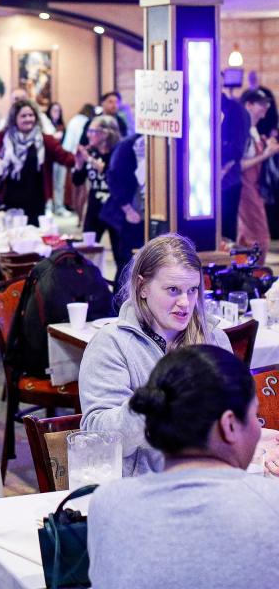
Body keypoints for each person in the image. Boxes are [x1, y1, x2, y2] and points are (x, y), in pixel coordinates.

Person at [88, 345, 279, 589]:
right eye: (255, 417)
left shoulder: (107, 504)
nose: (257, 430)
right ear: (229, 425)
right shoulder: (271, 506)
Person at [79, 233, 232, 477]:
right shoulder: (111, 344)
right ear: (142, 288)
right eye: (173, 290)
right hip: (140, 490)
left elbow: (232, 420)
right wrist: (156, 402)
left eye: (192, 290)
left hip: (207, 481)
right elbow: (98, 436)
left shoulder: (215, 340)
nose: (185, 302)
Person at [0, 99, 75, 226]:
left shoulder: (45, 140)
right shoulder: (3, 137)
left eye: (31, 115)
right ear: (14, 118)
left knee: (33, 238)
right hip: (9, 198)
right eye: (23, 116)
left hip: (36, 201)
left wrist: (81, 159)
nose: (28, 119)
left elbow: (65, 157)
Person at [237, 88, 279, 259]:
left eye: (267, 104)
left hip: (256, 190)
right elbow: (239, 165)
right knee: (257, 239)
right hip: (246, 191)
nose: (266, 108)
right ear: (249, 105)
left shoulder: (254, 131)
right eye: (261, 104)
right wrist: (266, 154)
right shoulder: (244, 132)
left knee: (257, 239)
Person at [100, 133, 146, 282]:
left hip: (148, 215)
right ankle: (120, 304)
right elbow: (112, 176)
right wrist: (128, 209)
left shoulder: (162, 142)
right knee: (126, 266)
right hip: (126, 214)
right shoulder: (129, 145)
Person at [72, 115, 121, 242]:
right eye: (88, 131)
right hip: (94, 209)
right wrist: (79, 164)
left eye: (92, 131)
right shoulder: (92, 152)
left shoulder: (118, 153)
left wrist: (88, 159)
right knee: (88, 251)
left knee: (121, 256)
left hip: (115, 209)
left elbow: (110, 173)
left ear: (105, 134)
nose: (88, 135)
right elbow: (77, 181)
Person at [221, 93, 247, 242]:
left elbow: (236, 149)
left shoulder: (233, 109)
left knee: (226, 235)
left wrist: (222, 169)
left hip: (228, 181)